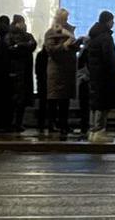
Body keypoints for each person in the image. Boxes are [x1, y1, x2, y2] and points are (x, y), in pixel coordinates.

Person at [44, 8, 83, 140]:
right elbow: (50, 50)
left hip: (67, 70)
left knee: (65, 99)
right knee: (55, 99)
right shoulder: (51, 32)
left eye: (67, 18)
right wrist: (65, 45)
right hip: (57, 70)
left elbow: (73, 47)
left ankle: (63, 124)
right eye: (64, 18)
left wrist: (76, 44)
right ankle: (53, 123)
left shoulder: (69, 31)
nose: (66, 21)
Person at [86, 10, 115, 142]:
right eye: (112, 21)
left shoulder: (94, 36)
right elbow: (109, 58)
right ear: (107, 21)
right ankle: (99, 131)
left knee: (95, 103)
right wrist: (114, 74)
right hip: (105, 76)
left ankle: (93, 130)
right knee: (103, 103)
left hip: (95, 75)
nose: (113, 23)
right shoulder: (105, 37)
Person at [6, 14, 37, 132]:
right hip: (15, 72)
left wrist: (20, 46)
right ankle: (12, 123)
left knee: (22, 100)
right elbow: (11, 49)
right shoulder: (10, 36)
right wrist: (23, 46)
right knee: (15, 99)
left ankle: (18, 122)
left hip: (25, 72)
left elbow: (32, 45)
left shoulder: (27, 35)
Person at [34, 43, 49, 134]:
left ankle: (41, 123)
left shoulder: (40, 55)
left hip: (41, 82)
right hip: (45, 82)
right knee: (46, 104)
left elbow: (37, 70)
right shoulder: (48, 56)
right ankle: (45, 123)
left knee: (42, 104)